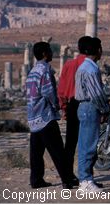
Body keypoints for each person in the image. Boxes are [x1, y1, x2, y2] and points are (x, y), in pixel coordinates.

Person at [26, 41, 74, 189]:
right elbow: (49, 92)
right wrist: (58, 105)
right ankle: (67, 179)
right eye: (50, 51)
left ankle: (36, 180)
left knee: (36, 153)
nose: (52, 53)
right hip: (45, 116)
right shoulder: (45, 70)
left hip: (33, 118)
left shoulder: (32, 71)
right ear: (45, 54)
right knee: (58, 150)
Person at [75, 37, 109, 192]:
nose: (101, 51)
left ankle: (86, 178)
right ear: (95, 50)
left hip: (83, 107)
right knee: (89, 145)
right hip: (90, 107)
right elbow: (97, 94)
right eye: (99, 48)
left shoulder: (83, 66)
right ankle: (86, 180)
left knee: (84, 144)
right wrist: (105, 109)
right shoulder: (91, 69)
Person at [57, 36, 91, 187]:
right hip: (85, 105)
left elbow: (62, 90)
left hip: (71, 105)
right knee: (87, 142)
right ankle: (87, 178)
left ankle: (67, 178)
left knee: (70, 144)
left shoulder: (68, 65)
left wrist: (64, 108)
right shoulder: (89, 64)